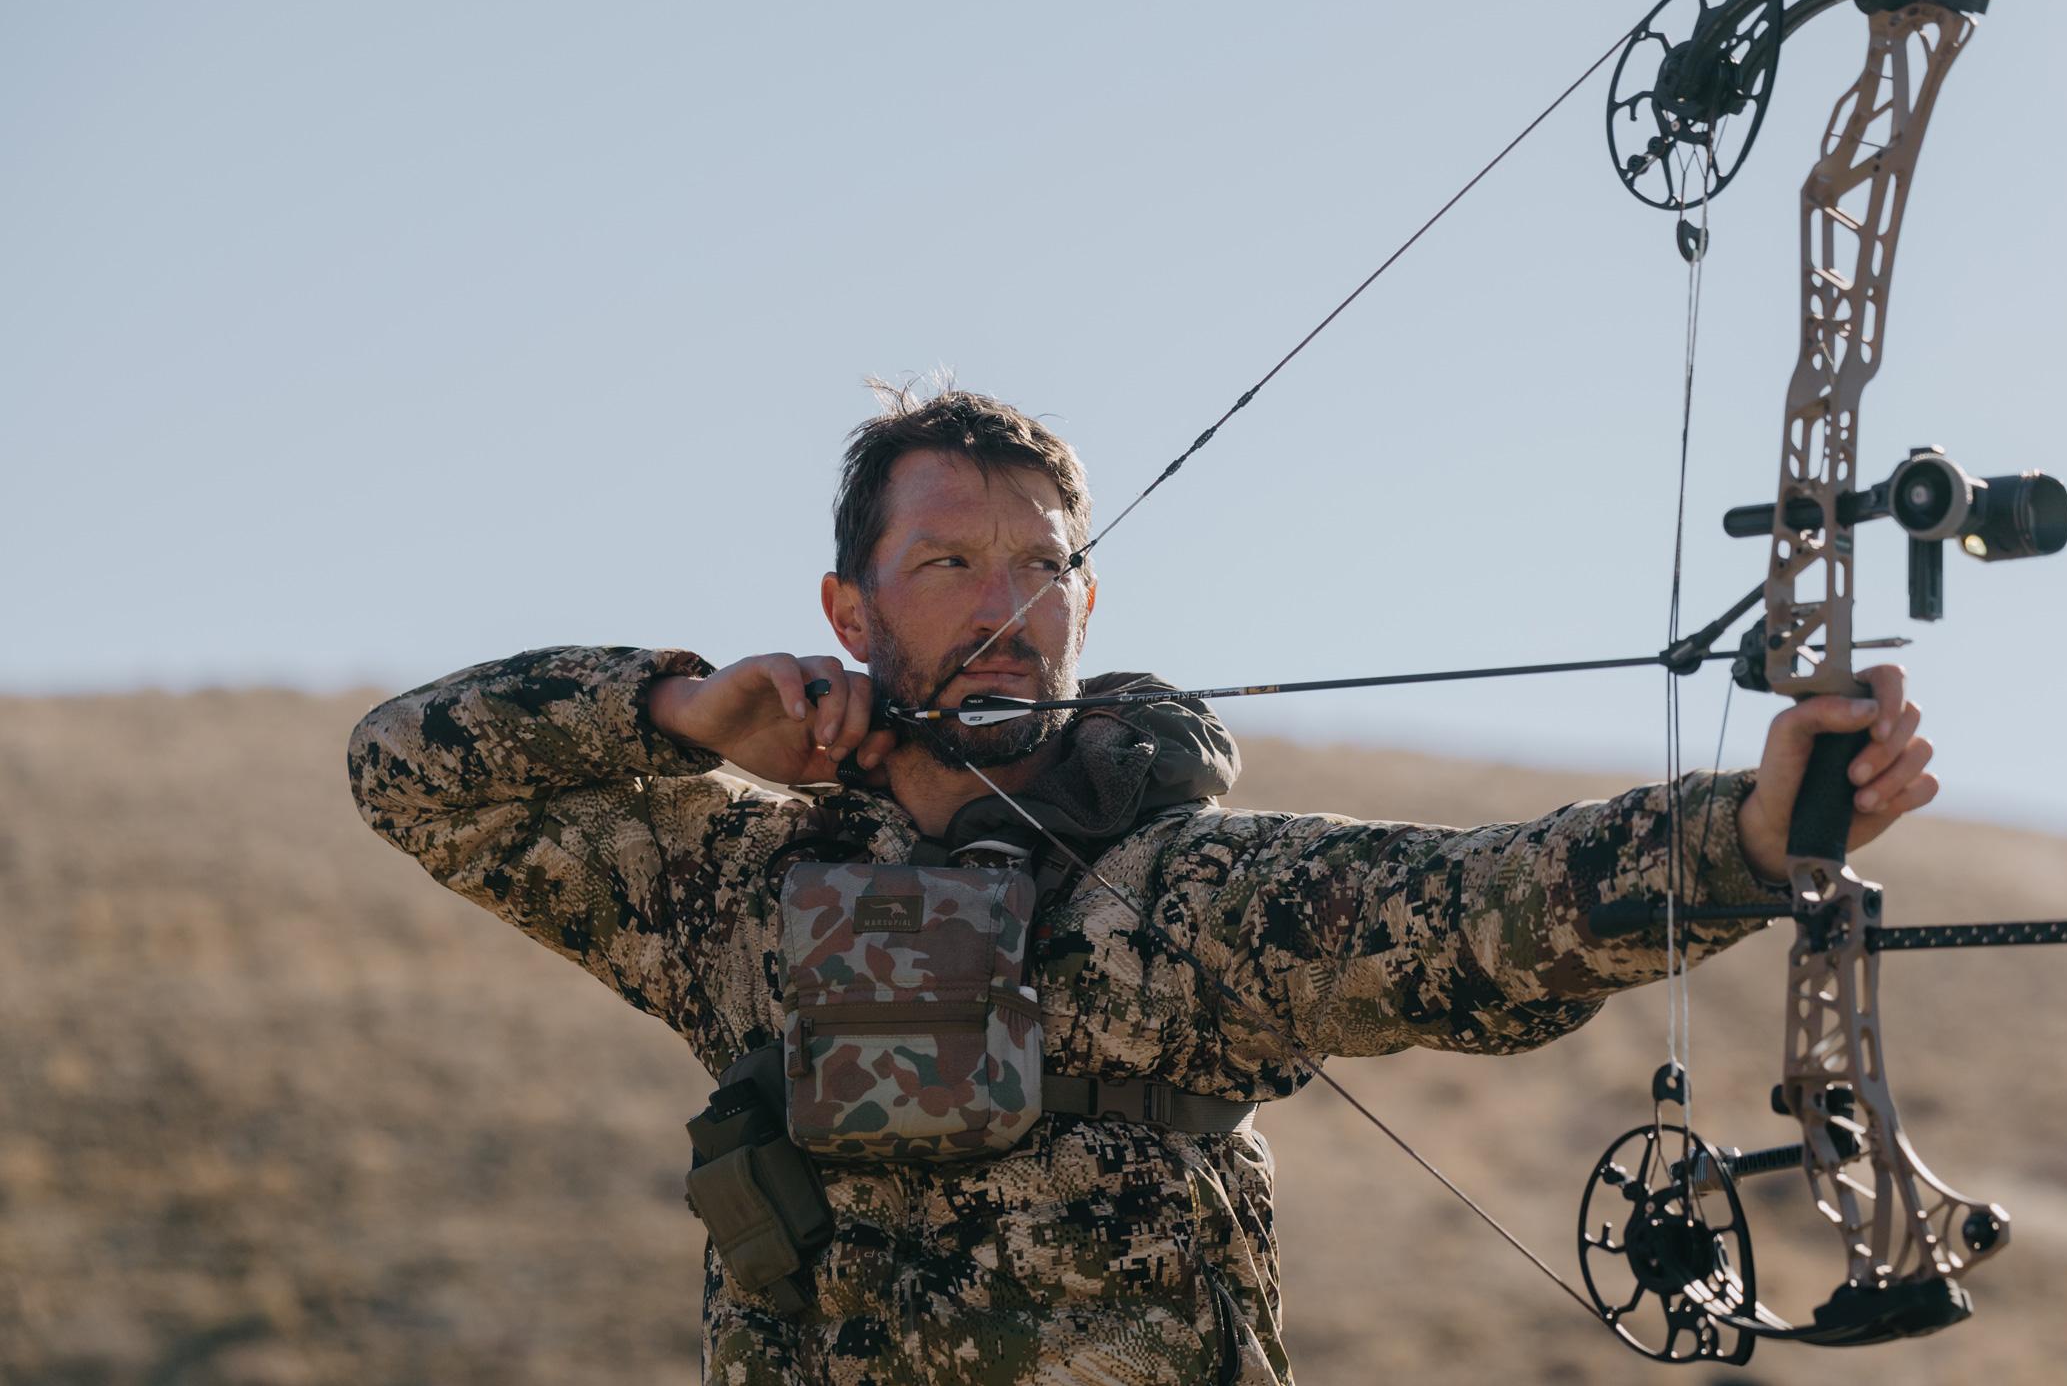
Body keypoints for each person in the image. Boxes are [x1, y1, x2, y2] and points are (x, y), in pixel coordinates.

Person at [346, 381, 1938, 1386]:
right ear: (850, 607)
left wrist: (1743, 833)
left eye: (1041, 568)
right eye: (949, 563)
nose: (1004, 607)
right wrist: (674, 710)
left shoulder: (1175, 892)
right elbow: (405, 770)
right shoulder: (740, 894)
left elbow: (1479, 918)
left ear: (1086, 600)